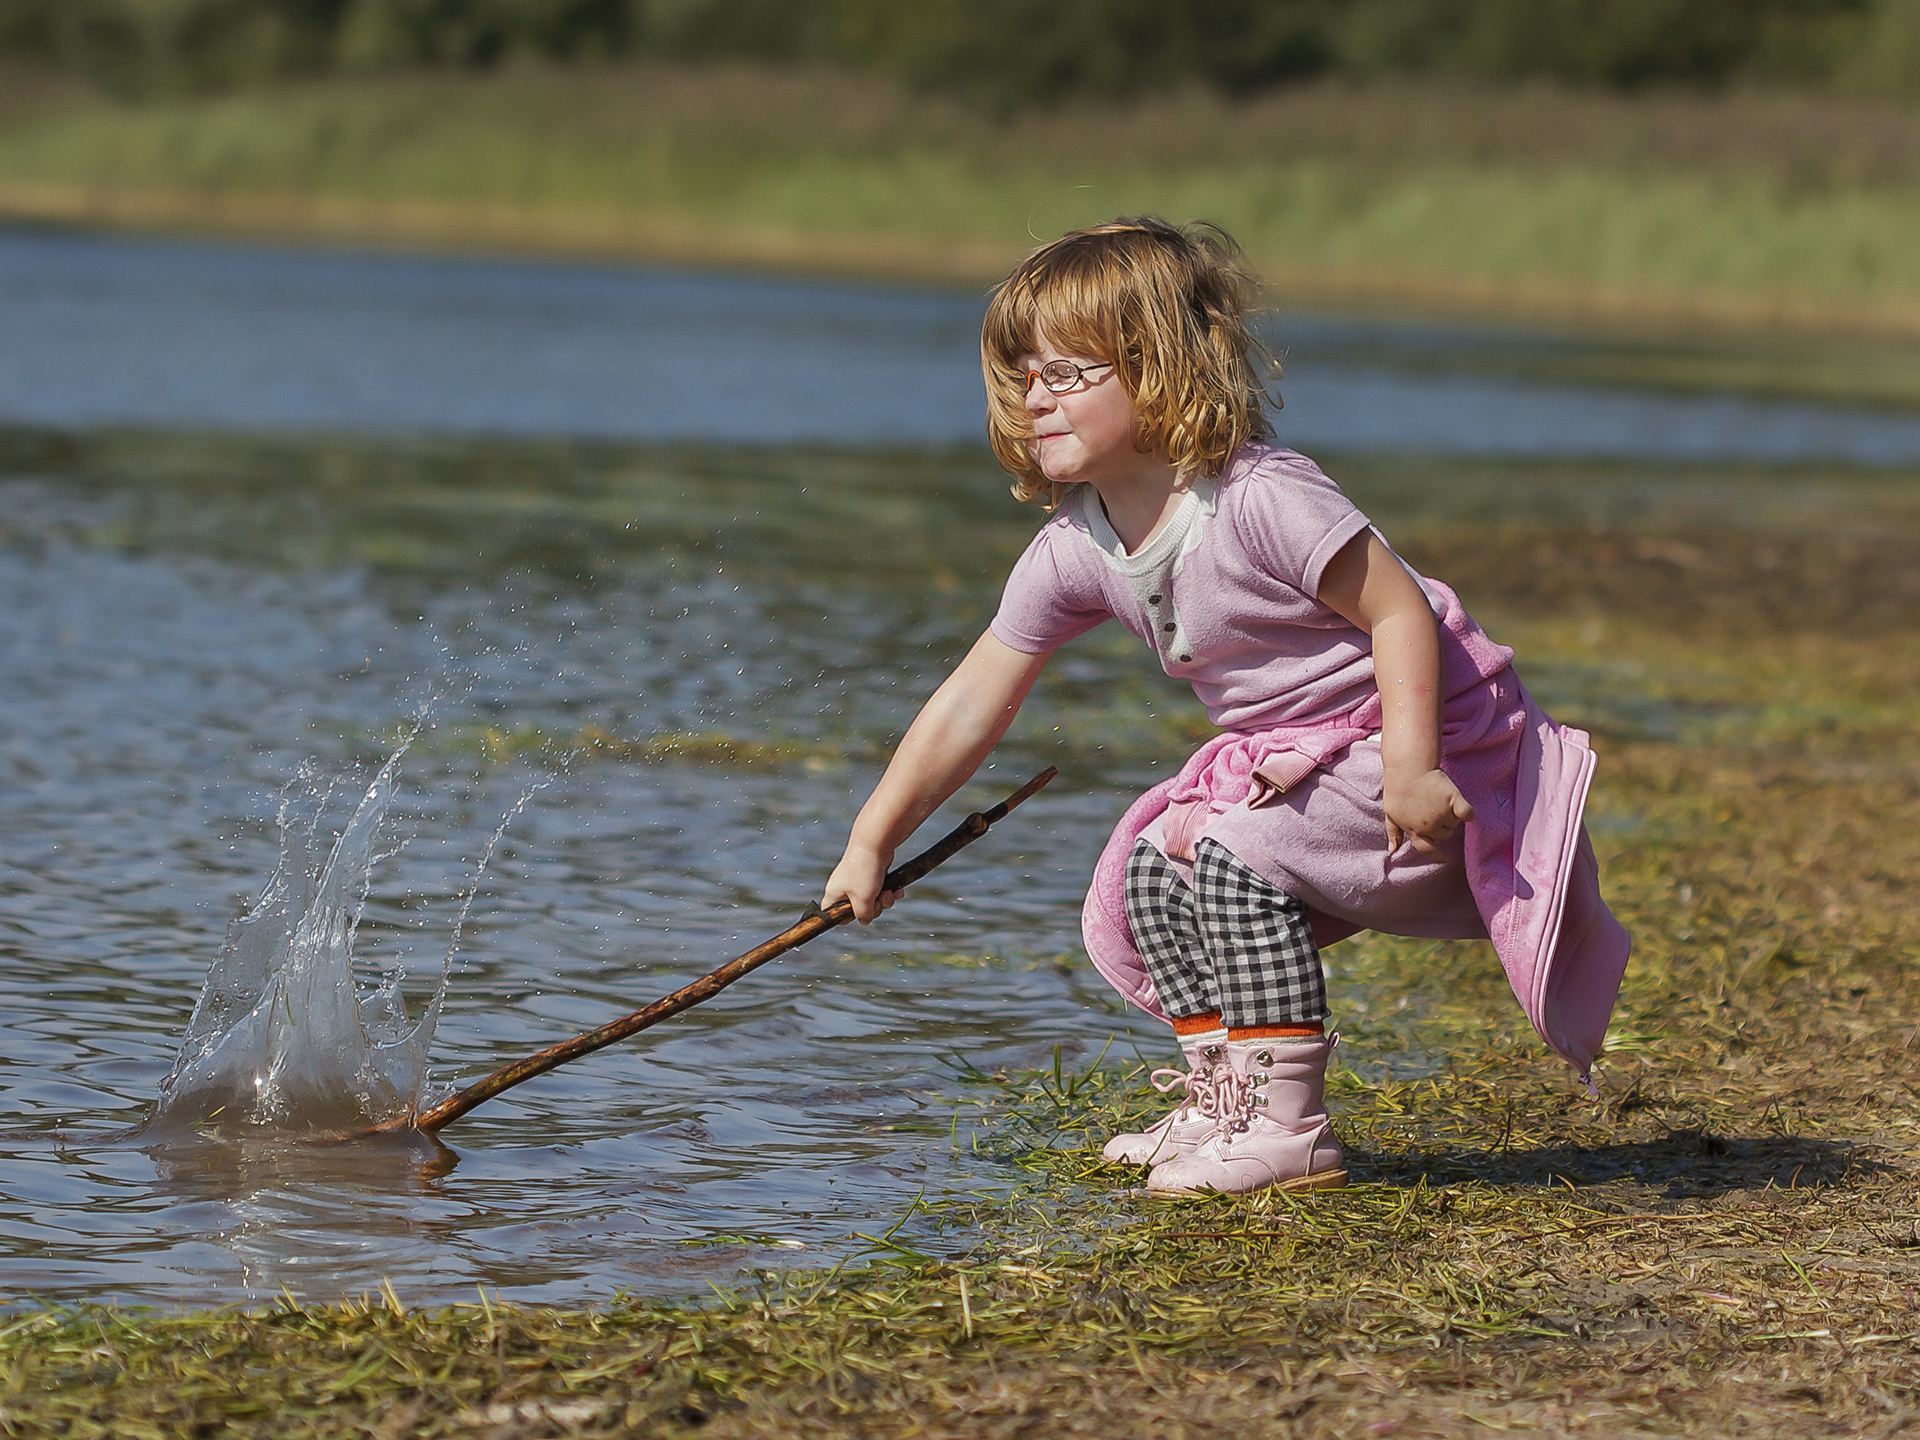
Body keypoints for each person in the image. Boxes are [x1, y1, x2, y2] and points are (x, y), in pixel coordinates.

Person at [820, 217, 1630, 1197]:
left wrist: (1413, 768)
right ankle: (1226, 1105)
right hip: (1303, 760)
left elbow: (1400, 612)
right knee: (1155, 864)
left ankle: (1288, 1128)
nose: (1036, 396)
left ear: (1158, 368)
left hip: (1433, 740)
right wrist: (872, 839)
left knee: (1230, 851)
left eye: (1067, 372)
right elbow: (968, 703)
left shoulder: (1257, 498)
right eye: (1023, 374)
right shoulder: (1077, 546)